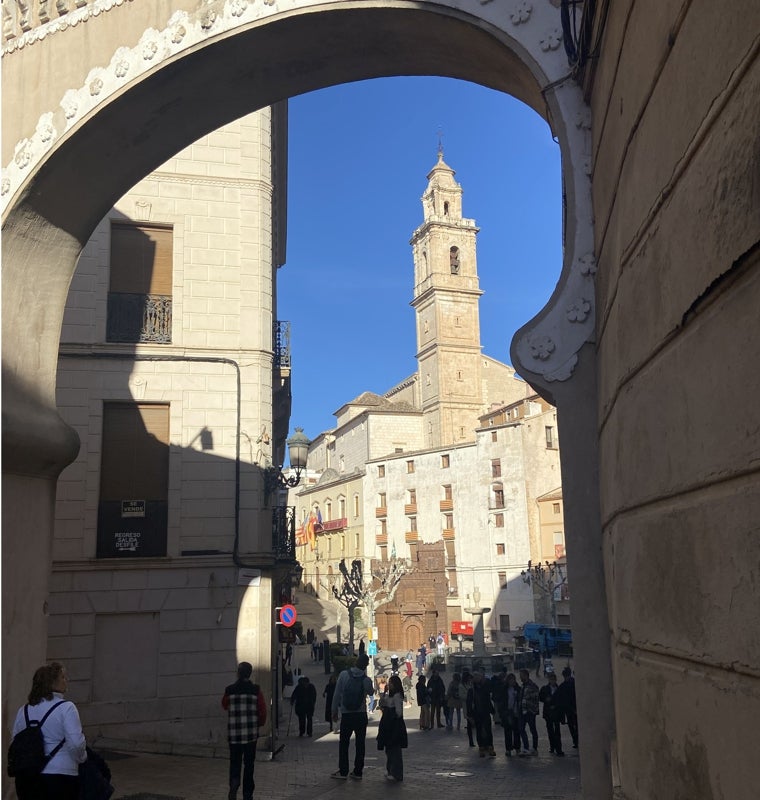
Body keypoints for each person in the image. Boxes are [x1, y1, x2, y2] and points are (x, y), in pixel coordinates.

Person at [12, 661, 87, 800]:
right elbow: (76, 744)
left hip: (28, 776)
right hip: (61, 774)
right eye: (63, 677)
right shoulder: (67, 708)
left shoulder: (24, 710)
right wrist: (82, 758)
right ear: (52, 683)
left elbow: (15, 743)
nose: (67, 680)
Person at [222, 662, 268, 800]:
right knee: (249, 764)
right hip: (250, 735)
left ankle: (234, 784)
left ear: (238, 673)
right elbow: (262, 711)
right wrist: (258, 724)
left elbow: (224, 705)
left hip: (234, 735)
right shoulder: (255, 690)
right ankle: (247, 794)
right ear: (250, 673)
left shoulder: (229, 690)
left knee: (235, 762)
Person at [330, 652, 374, 780]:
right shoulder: (366, 680)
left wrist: (334, 711)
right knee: (360, 744)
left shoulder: (344, 675)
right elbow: (371, 692)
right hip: (360, 715)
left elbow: (336, 695)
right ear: (365, 666)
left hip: (347, 714)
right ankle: (358, 771)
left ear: (356, 662)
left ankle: (343, 771)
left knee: (344, 743)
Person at [377, 674, 407, 782]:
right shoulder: (389, 696)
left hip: (394, 725)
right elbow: (381, 703)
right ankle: (390, 770)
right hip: (387, 724)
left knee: (395, 750)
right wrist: (384, 693)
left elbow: (399, 712)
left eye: (391, 683)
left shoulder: (397, 696)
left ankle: (396, 773)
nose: (389, 685)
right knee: (389, 749)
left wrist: (390, 711)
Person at [466, 670, 496, 757]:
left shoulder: (484, 688)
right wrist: (470, 715)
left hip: (485, 712)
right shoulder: (472, 691)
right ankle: (482, 747)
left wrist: (492, 710)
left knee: (488, 730)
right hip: (477, 713)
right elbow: (469, 703)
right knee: (479, 730)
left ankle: (489, 747)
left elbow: (487, 700)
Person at [539, 671, 564, 756]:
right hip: (548, 713)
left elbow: (561, 701)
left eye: (553, 679)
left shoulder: (559, 689)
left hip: (556, 713)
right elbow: (541, 697)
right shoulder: (545, 688)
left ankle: (558, 748)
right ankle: (552, 746)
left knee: (557, 731)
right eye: (551, 679)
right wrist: (546, 700)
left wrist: (556, 706)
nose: (552, 681)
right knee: (550, 730)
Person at [518, 668, 540, 755]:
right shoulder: (522, 686)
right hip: (522, 711)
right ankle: (526, 747)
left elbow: (536, 698)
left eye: (521, 676)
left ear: (526, 676)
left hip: (530, 711)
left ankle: (534, 748)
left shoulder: (532, 686)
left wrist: (532, 708)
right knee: (521, 729)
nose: (520, 677)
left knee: (533, 729)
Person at [556, 667, 578, 748]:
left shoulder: (564, 685)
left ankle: (576, 741)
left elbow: (560, 699)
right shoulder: (573, 683)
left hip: (570, 709)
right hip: (570, 709)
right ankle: (576, 741)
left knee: (573, 726)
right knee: (573, 726)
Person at [460, 671, 475, 746]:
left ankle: (474, 741)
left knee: (472, 723)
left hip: (473, 705)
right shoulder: (461, 685)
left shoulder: (471, 684)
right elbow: (461, 695)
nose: (469, 678)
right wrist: (469, 696)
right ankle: (471, 741)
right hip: (466, 705)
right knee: (469, 723)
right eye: (468, 677)